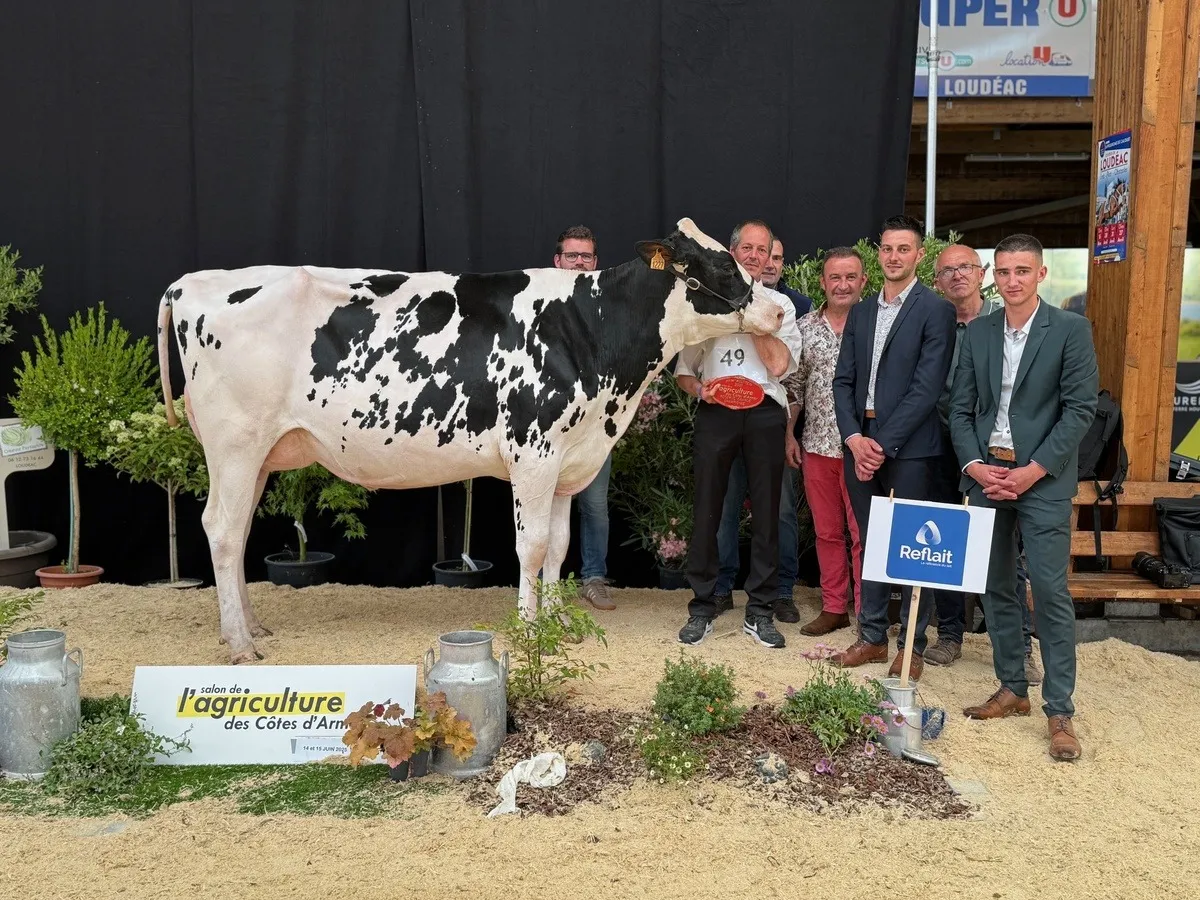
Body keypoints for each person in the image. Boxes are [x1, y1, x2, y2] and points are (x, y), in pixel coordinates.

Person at [950, 232, 1097, 762]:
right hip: (987, 475)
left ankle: (1059, 710)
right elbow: (960, 408)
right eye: (1004, 271)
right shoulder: (979, 332)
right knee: (994, 586)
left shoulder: (1071, 330)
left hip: (1042, 480)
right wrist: (974, 466)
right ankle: (1012, 687)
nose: (1012, 280)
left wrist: (1033, 471)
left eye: (1022, 271)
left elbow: (1080, 410)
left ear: (1041, 274)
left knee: (1050, 592)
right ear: (995, 276)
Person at [829, 215, 956, 681]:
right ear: (877, 253)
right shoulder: (862, 312)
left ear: (919, 255)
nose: (894, 256)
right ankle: (872, 637)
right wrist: (854, 439)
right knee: (873, 542)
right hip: (860, 441)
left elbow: (927, 389)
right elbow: (842, 382)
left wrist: (879, 445)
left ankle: (912, 646)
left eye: (904, 249)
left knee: (912, 548)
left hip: (911, 448)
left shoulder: (935, 310)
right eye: (887, 248)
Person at [675, 220, 802, 649]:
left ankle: (761, 611)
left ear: (769, 257)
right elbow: (684, 371)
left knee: (767, 513)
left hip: (765, 411)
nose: (754, 255)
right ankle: (702, 606)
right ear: (732, 252)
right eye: (746, 247)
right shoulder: (706, 303)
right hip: (717, 412)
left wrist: (751, 315)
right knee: (708, 508)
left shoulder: (780, 304)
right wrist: (701, 391)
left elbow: (779, 366)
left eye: (762, 250)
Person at [924, 244, 1041, 686]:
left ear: (982, 273)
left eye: (966, 267)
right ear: (937, 280)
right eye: (947, 270)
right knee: (944, 540)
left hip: (997, 452)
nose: (957, 275)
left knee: (1005, 549)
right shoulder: (933, 321)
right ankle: (950, 634)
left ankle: (1018, 646)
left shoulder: (1004, 319)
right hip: (941, 444)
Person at [712, 237, 813, 622]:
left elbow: (789, 376)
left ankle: (782, 591)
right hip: (723, 421)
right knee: (723, 507)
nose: (766, 262)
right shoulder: (714, 300)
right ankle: (721, 588)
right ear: (734, 254)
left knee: (781, 510)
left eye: (774, 256)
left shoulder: (789, 306)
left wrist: (788, 433)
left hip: (771, 422)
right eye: (754, 252)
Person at [782, 247, 867, 635]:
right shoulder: (804, 327)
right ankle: (834, 607)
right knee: (827, 532)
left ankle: (868, 611)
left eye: (850, 277)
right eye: (835, 277)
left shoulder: (874, 325)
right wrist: (789, 433)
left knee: (863, 534)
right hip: (817, 445)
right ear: (823, 282)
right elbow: (795, 386)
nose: (842, 285)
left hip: (863, 450)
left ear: (863, 281)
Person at [553, 225, 615, 612]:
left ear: (595, 262)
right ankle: (545, 581)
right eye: (572, 255)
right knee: (542, 503)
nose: (579, 262)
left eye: (586, 256)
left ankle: (593, 579)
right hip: (545, 428)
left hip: (593, 424)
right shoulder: (539, 304)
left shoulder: (608, 309)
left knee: (595, 505)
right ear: (557, 260)